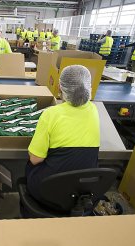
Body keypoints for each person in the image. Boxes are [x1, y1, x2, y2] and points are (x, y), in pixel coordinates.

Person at [26, 65, 100, 206]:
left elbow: (36, 159)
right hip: (83, 192)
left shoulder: (51, 114)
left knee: (30, 165)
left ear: (60, 87)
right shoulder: (94, 110)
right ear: (88, 87)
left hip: (50, 193)